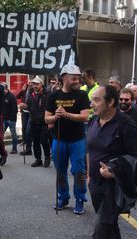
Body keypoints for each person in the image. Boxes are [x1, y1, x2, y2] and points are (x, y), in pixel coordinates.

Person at [82, 84, 137, 239]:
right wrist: (89, 174)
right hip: (95, 183)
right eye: (92, 99)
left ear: (110, 102)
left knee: (102, 224)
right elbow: (90, 150)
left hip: (115, 185)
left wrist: (114, 172)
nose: (92, 103)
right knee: (109, 224)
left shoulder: (126, 125)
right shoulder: (94, 121)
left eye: (96, 100)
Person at [45, 64, 90, 214]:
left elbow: (85, 116)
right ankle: (63, 197)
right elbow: (46, 119)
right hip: (59, 140)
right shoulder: (54, 96)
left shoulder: (82, 95)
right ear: (64, 78)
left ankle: (80, 199)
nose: (77, 81)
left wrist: (67, 115)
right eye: (74, 78)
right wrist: (55, 117)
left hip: (77, 140)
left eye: (78, 78)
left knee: (79, 171)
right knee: (60, 171)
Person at [21, 76, 51, 168]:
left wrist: (50, 120)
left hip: (44, 121)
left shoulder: (47, 94)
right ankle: (38, 159)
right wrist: (24, 106)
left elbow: (50, 107)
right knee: (35, 141)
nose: (34, 86)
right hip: (33, 120)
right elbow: (29, 106)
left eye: (37, 84)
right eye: (33, 84)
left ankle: (47, 157)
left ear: (41, 84)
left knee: (43, 140)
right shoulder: (30, 94)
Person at [2, 83, 18, 154]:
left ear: (6, 89)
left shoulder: (11, 96)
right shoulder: (1, 96)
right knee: (1, 135)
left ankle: (14, 148)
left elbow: (15, 109)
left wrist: (12, 118)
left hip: (11, 119)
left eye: (3, 90)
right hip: (3, 118)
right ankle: (1, 148)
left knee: (13, 134)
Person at [16, 83, 33, 156]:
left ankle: (29, 146)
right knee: (24, 128)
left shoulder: (33, 91)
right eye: (28, 83)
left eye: (31, 83)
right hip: (24, 112)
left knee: (28, 130)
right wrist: (22, 90)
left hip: (30, 113)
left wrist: (27, 106)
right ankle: (25, 141)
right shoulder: (24, 91)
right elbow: (17, 96)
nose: (29, 85)